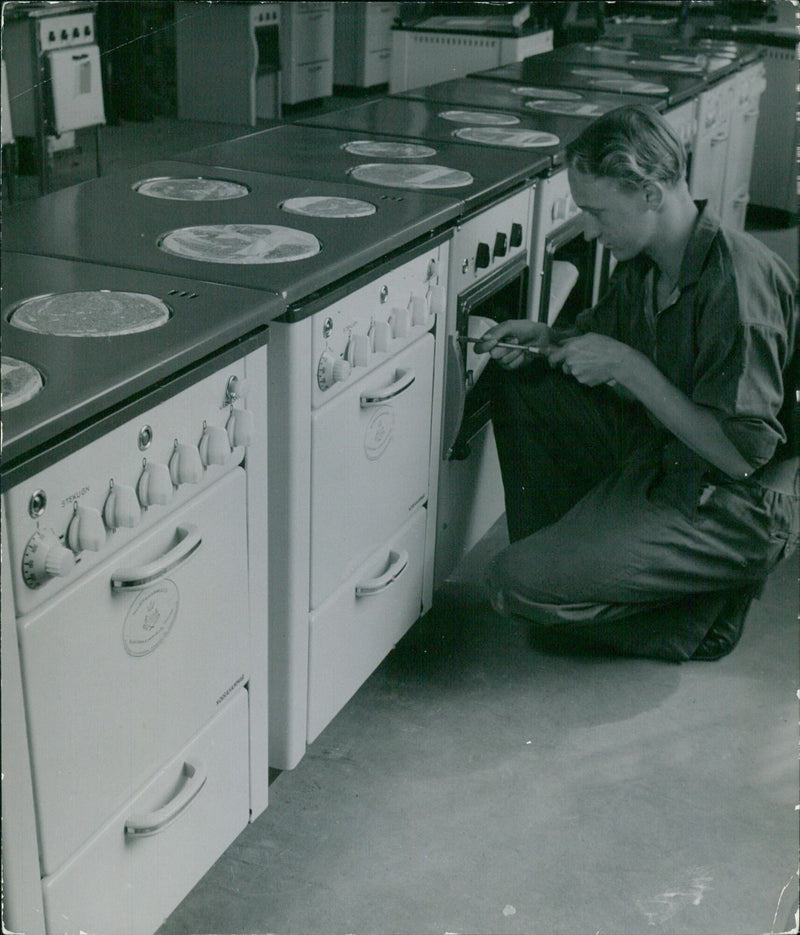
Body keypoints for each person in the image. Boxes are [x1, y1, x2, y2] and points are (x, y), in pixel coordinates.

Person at [475, 103, 798, 662]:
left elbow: (743, 455)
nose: (591, 231)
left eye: (597, 213)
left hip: (738, 503)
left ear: (650, 194)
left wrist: (630, 368)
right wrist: (545, 338)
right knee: (524, 385)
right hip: (670, 457)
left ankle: (702, 622)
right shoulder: (649, 261)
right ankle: (593, 568)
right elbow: (593, 338)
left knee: (513, 584)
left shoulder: (737, 282)